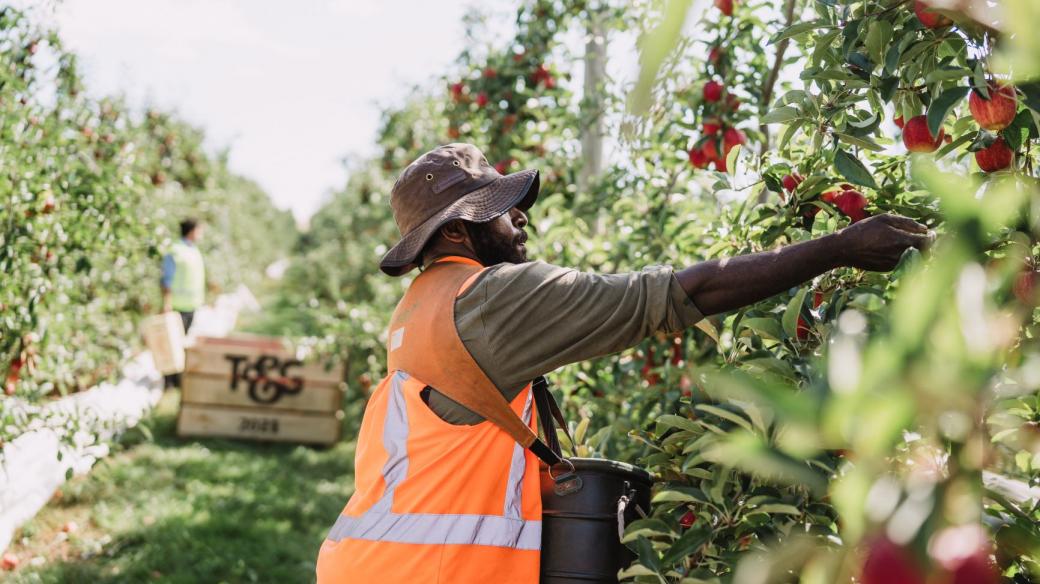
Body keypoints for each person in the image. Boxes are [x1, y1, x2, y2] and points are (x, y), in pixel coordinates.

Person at [315, 143, 930, 583]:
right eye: (498, 208)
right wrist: (840, 247)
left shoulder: (417, 307)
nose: (519, 215)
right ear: (454, 233)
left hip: (370, 566)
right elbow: (673, 296)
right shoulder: (492, 297)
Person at [161, 218, 205, 388]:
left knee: (182, 343)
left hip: (191, 305)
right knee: (172, 344)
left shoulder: (193, 250)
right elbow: (167, 279)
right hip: (177, 305)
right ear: (192, 231)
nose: (201, 235)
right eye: (200, 231)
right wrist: (167, 302)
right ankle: (169, 383)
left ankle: (178, 379)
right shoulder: (176, 250)